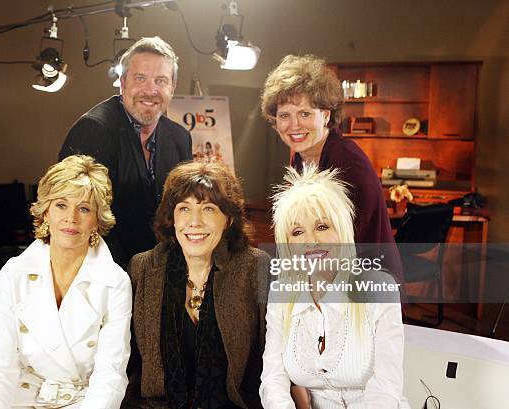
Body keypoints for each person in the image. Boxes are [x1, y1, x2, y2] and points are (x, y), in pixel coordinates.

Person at [0, 155, 132, 409]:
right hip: (20, 398)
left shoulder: (115, 282)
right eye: (61, 205)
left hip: (84, 401)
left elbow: (110, 374)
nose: (71, 218)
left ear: (96, 220)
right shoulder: (14, 273)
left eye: (84, 208)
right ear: (46, 212)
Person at [260, 165, 409, 409]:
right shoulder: (281, 293)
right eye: (297, 232)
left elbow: (386, 389)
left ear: (342, 231)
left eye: (322, 227)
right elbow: (273, 380)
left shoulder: (379, 288)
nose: (310, 241)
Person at [127, 161, 269, 409]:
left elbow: (270, 360)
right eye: (184, 209)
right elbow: (131, 364)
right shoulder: (143, 268)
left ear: (228, 220)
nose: (194, 222)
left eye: (208, 209)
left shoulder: (255, 268)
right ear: (171, 217)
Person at [260, 54, 402, 283]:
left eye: (305, 114)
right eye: (284, 115)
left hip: (365, 284)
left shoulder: (345, 160)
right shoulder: (300, 157)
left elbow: (346, 245)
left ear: (325, 115)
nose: (294, 125)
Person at [59, 36, 193, 269]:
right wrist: (128, 279)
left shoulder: (180, 138)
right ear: (122, 83)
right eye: (140, 78)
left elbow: (183, 214)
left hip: (162, 275)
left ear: (172, 88)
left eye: (161, 80)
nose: (150, 90)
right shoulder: (93, 130)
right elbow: (79, 220)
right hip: (103, 276)